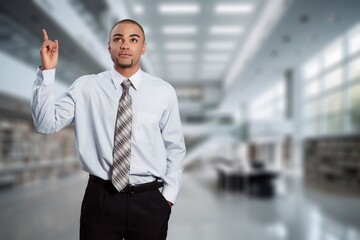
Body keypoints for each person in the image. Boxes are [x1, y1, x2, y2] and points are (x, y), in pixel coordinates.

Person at [31, 19, 186, 240]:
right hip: (100, 199)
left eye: (133, 40)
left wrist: (167, 199)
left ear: (143, 47)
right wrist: (48, 71)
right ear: (109, 47)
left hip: (149, 200)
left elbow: (175, 148)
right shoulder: (86, 86)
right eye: (118, 39)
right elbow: (45, 124)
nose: (125, 45)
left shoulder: (163, 92)